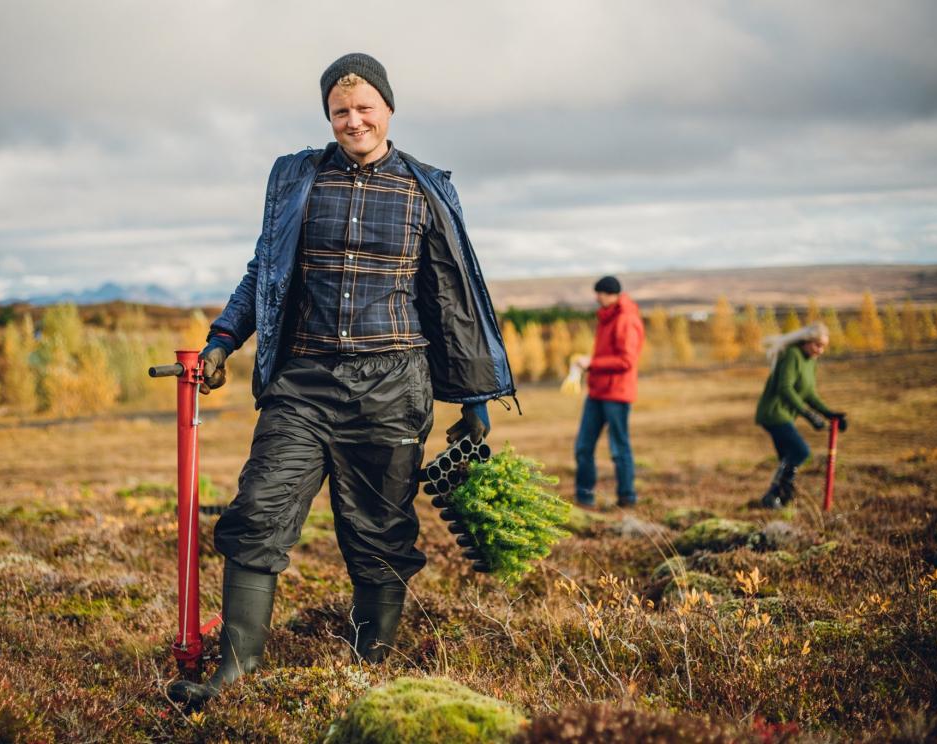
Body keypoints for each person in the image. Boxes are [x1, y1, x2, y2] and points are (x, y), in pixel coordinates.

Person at [169, 53, 516, 706]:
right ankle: (233, 673)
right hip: (301, 387)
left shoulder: (424, 186)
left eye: (363, 108)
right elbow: (262, 271)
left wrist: (473, 397)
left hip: (392, 387)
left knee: (380, 535)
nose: (352, 120)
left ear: (387, 109)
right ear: (328, 115)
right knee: (257, 514)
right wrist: (223, 338)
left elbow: (451, 295)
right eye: (339, 111)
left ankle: (365, 676)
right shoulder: (298, 178)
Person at [755, 322, 846, 509]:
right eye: (817, 345)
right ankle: (772, 496)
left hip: (785, 415)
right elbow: (785, 388)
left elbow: (809, 393)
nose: (820, 351)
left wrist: (829, 414)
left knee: (788, 457)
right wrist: (808, 415)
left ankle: (782, 499)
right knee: (801, 451)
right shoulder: (792, 355)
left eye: (823, 347)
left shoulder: (811, 361)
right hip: (773, 413)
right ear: (806, 341)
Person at [573, 276, 644, 508]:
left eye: (600, 293)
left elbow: (626, 360)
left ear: (611, 294)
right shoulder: (606, 317)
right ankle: (584, 497)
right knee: (583, 447)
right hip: (597, 393)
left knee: (619, 448)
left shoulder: (625, 320)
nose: (597, 297)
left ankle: (627, 497)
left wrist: (592, 363)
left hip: (617, 394)